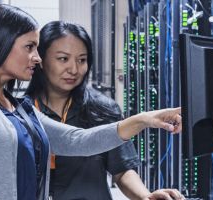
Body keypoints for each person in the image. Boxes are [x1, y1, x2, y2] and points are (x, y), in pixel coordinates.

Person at [0, 4, 182, 200]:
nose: (37, 58)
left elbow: (76, 140)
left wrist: (144, 120)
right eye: (30, 47)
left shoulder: (18, 107)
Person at [26, 21, 184, 200]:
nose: (74, 69)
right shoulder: (21, 113)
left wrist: (146, 196)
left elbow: (121, 169)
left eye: (82, 60)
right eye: (63, 59)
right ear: (40, 59)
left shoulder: (101, 109)